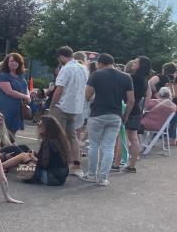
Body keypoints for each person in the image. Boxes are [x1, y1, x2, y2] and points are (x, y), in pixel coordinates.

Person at [80, 53, 134, 185]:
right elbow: (131, 100)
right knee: (109, 147)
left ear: (100, 63)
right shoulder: (126, 77)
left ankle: (91, 174)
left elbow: (87, 94)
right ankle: (103, 178)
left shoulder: (97, 75)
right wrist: (125, 115)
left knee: (94, 146)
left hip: (97, 114)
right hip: (116, 116)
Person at [50, 46, 88, 174]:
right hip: (76, 108)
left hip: (62, 106)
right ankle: (76, 165)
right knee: (73, 136)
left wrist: (52, 105)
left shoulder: (65, 69)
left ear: (61, 56)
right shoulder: (83, 68)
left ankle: (57, 162)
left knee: (55, 135)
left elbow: (59, 89)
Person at [11, 115, 71, 186]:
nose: (38, 126)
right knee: (23, 155)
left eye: (41, 124)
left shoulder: (48, 142)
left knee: (22, 159)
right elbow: (51, 160)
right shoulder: (58, 140)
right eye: (38, 123)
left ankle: (0, 167)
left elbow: (43, 165)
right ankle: (1, 167)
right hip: (60, 178)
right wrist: (35, 154)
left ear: (48, 127)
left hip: (51, 177)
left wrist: (33, 158)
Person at [120, 55, 151, 173]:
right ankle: (132, 164)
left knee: (126, 138)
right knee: (133, 138)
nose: (133, 63)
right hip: (137, 109)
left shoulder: (132, 78)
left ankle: (124, 162)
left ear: (140, 65)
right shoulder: (144, 79)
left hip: (129, 108)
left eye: (136, 62)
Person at [0, 52, 32, 135]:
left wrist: (28, 97)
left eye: (16, 61)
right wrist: (26, 97)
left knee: (13, 132)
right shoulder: (3, 75)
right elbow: (9, 91)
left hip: (18, 108)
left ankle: (10, 146)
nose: (14, 63)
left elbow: (26, 88)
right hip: (7, 107)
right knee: (4, 132)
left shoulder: (21, 76)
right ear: (7, 63)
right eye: (11, 61)